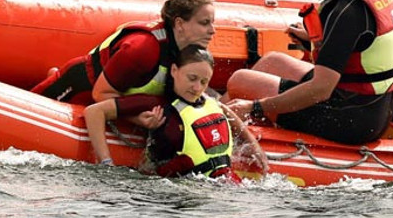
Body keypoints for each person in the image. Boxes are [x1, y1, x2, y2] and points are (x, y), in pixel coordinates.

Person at [225, 0, 393, 144]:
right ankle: (206, 116)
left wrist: (257, 107)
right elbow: (357, 50)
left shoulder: (348, 13)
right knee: (271, 61)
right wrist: (312, 40)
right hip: (368, 104)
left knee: (241, 81)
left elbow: (321, 89)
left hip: (353, 119)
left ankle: (213, 126)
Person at [84, 45, 266, 181]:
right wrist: (106, 164)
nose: (197, 88)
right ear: (174, 70)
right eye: (192, 78)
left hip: (221, 186)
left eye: (204, 82)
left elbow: (227, 113)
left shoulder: (209, 103)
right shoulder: (157, 104)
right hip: (170, 196)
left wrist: (253, 145)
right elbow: (94, 112)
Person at [31, 0, 216, 105]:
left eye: (212, 23)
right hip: (78, 88)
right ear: (180, 24)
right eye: (204, 23)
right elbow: (101, 94)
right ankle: (51, 77)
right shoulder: (143, 49)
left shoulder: (190, 53)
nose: (212, 30)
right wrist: (138, 118)